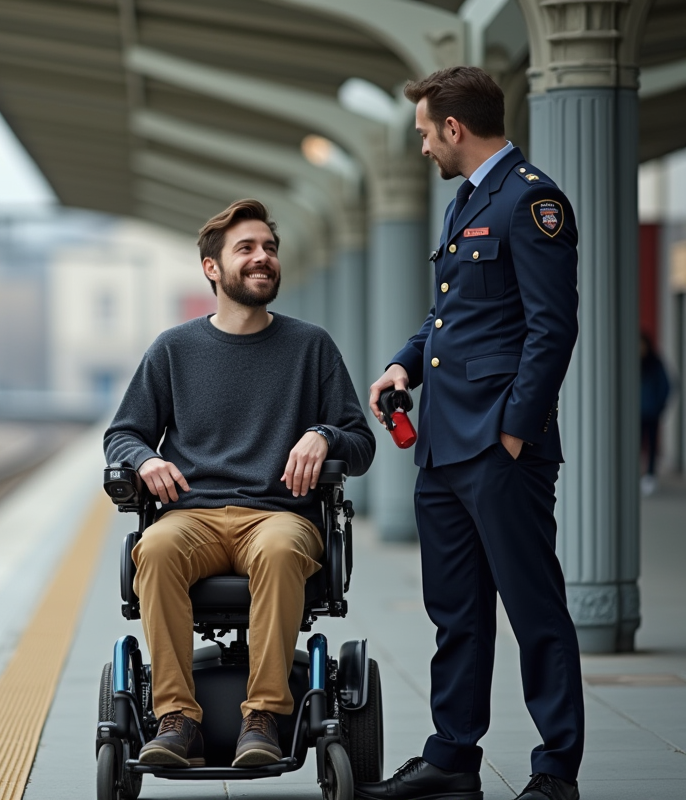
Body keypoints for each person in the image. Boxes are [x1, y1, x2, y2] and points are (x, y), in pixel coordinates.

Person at [363, 67, 582, 800]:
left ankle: (555, 770)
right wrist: (403, 366)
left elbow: (552, 329)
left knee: (534, 611)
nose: (423, 145)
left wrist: (515, 433)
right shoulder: (466, 202)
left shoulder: (532, 199)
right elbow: (450, 320)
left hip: (497, 449)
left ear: (453, 128)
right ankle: (452, 760)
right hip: (441, 448)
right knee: (455, 616)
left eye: (425, 131)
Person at [104, 199, 375, 769]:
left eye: (269, 249)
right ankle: (177, 720)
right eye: (246, 249)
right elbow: (122, 435)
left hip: (279, 518)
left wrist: (324, 434)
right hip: (191, 518)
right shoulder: (173, 350)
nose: (262, 259)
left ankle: (264, 717)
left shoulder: (311, 346)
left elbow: (361, 442)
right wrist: (142, 460)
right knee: (153, 548)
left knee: (279, 549)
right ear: (212, 268)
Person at [640, 332, 672, 496]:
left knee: (652, 445)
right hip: (636, 414)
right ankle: (637, 474)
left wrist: (659, 406)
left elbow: (667, 385)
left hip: (651, 413)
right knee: (636, 446)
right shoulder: (633, 364)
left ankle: (650, 476)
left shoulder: (655, 364)